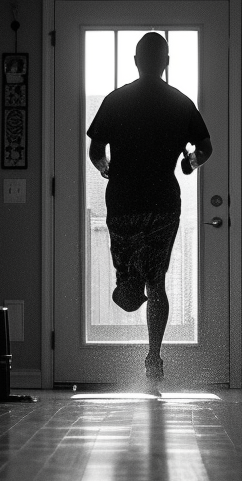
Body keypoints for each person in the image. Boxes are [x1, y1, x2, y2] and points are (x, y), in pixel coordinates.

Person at [87, 32, 212, 387]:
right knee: (155, 284)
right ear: (166, 62)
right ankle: (153, 351)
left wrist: (104, 166)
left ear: (137, 61)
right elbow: (206, 147)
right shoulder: (181, 102)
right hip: (162, 205)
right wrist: (190, 160)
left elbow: (95, 150)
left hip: (125, 204)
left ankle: (148, 339)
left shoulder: (115, 100)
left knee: (131, 292)